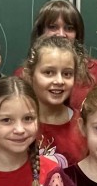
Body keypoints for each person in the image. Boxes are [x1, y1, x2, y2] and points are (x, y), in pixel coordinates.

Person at [21, 0, 97, 111]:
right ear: (41, 32)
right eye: (53, 27)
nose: (61, 34)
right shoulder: (25, 73)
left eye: (69, 28)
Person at [23, 35, 88, 168]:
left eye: (67, 74)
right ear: (29, 75)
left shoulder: (83, 126)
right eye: (48, 72)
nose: (59, 81)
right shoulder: (18, 125)